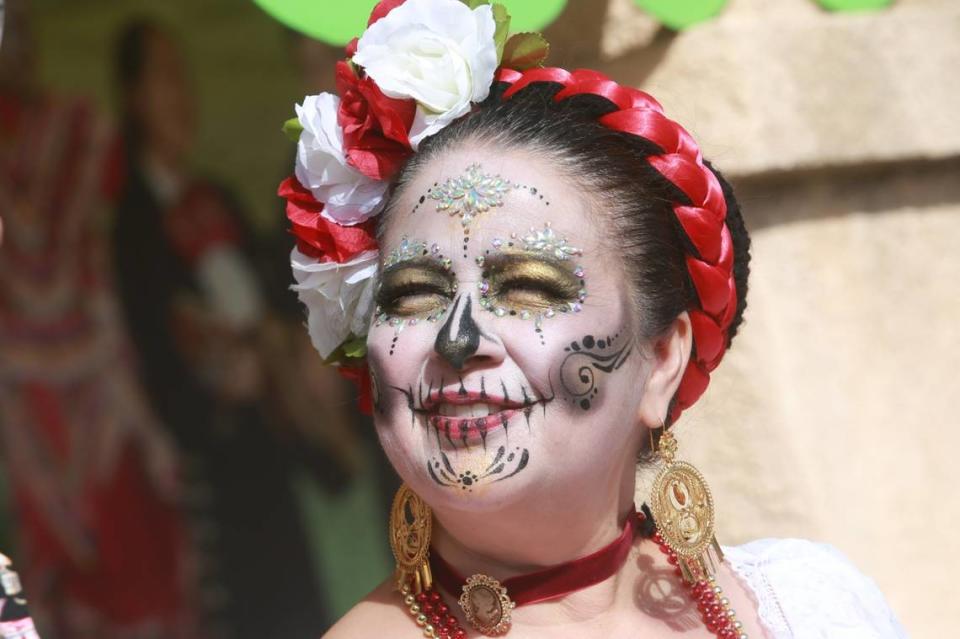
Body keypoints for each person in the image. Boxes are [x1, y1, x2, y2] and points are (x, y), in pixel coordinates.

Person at [277, 0, 908, 637]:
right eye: (413, 295)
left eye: (525, 288)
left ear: (663, 361)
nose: (458, 337)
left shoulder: (812, 603)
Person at [110, 18, 329, 638]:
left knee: (298, 601)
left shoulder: (218, 198)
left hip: (271, 450)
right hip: (207, 470)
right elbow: (150, 353)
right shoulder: (132, 229)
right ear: (132, 97)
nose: (180, 92)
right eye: (162, 77)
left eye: (183, 75)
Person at [0, 3, 192, 636]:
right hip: (25, 414)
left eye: (20, 24)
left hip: (105, 394)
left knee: (142, 570)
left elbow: (102, 279)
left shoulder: (79, 130)